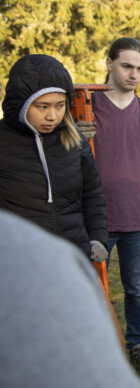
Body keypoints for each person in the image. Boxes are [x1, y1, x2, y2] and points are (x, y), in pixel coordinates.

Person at [0, 210, 140, 388]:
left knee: (136, 289)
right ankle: (103, 359)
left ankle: (137, 347)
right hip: (73, 232)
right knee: (97, 297)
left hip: (124, 223)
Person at [89, 37, 140, 375]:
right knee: (91, 289)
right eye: (127, 66)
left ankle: (138, 347)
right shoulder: (84, 105)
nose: (134, 74)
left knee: (137, 288)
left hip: (137, 217)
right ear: (109, 63)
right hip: (94, 218)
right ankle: (95, 350)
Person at [0, 54, 108, 263]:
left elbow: (93, 192)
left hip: (71, 257)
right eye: (43, 106)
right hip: (16, 261)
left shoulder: (74, 139)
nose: (53, 116)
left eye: (60, 105)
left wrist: (97, 238)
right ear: (22, 103)